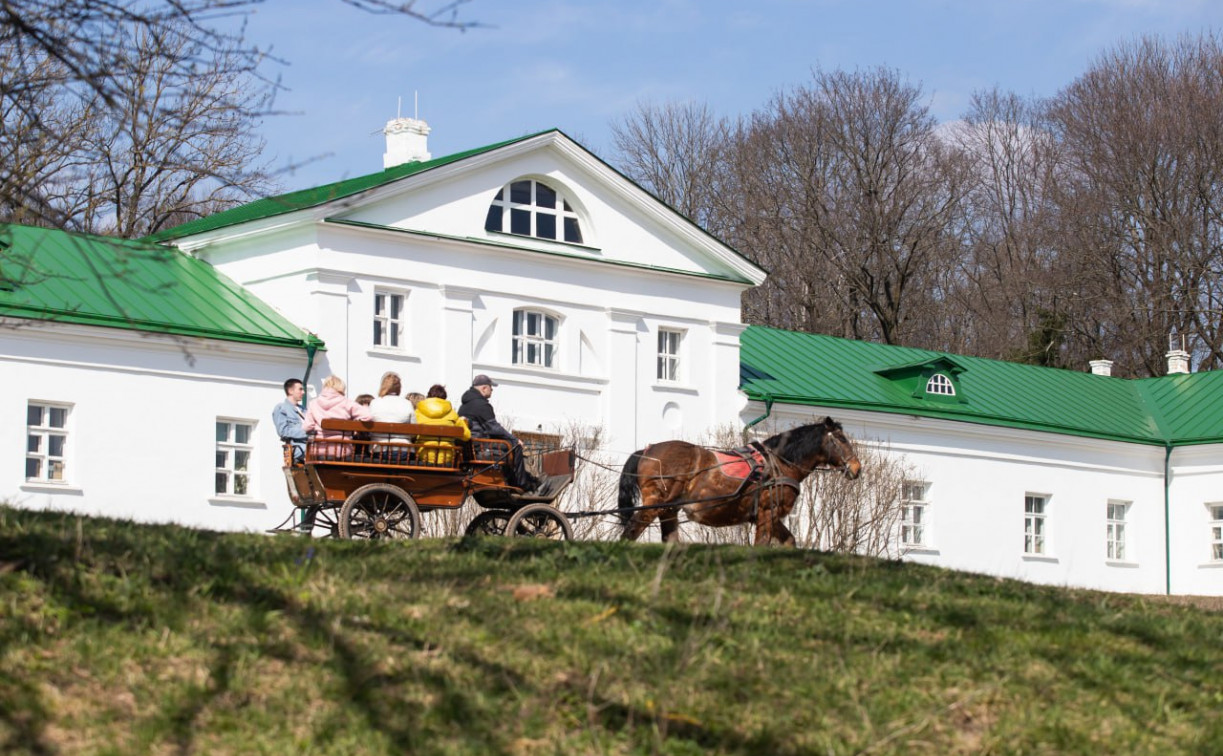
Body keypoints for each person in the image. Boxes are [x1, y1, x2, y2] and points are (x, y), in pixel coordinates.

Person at [458, 374, 539, 491]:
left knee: (507, 445)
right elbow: (494, 428)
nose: (492, 390)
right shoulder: (481, 405)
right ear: (484, 388)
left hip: (471, 446)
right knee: (514, 446)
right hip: (479, 446)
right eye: (491, 387)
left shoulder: (464, 405)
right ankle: (522, 483)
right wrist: (515, 439)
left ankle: (517, 479)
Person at [303, 374, 373, 460]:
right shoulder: (347, 403)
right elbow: (367, 416)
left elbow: (307, 427)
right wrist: (352, 424)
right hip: (342, 449)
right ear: (341, 387)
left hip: (318, 448)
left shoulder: (313, 403)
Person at [415, 384, 471, 465]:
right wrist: (465, 423)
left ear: (428, 396)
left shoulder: (418, 412)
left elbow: (411, 435)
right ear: (445, 397)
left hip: (423, 455)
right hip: (446, 457)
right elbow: (467, 436)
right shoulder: (452, 414)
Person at [369, 372, 414, 463]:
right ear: (399, 387)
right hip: (404, 450)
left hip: (379, 449)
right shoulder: (407, 403)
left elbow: (369, 427)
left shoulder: (375, 402)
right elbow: (414, 429)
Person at [272, 378, 308, 464]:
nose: (303, 392)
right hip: (297, 447)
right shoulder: (281, 408)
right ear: (291, 391)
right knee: (318, 451)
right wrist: (307, 433)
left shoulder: (304, 410)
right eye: (300, 389)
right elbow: (283, 432)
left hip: (310, 445)